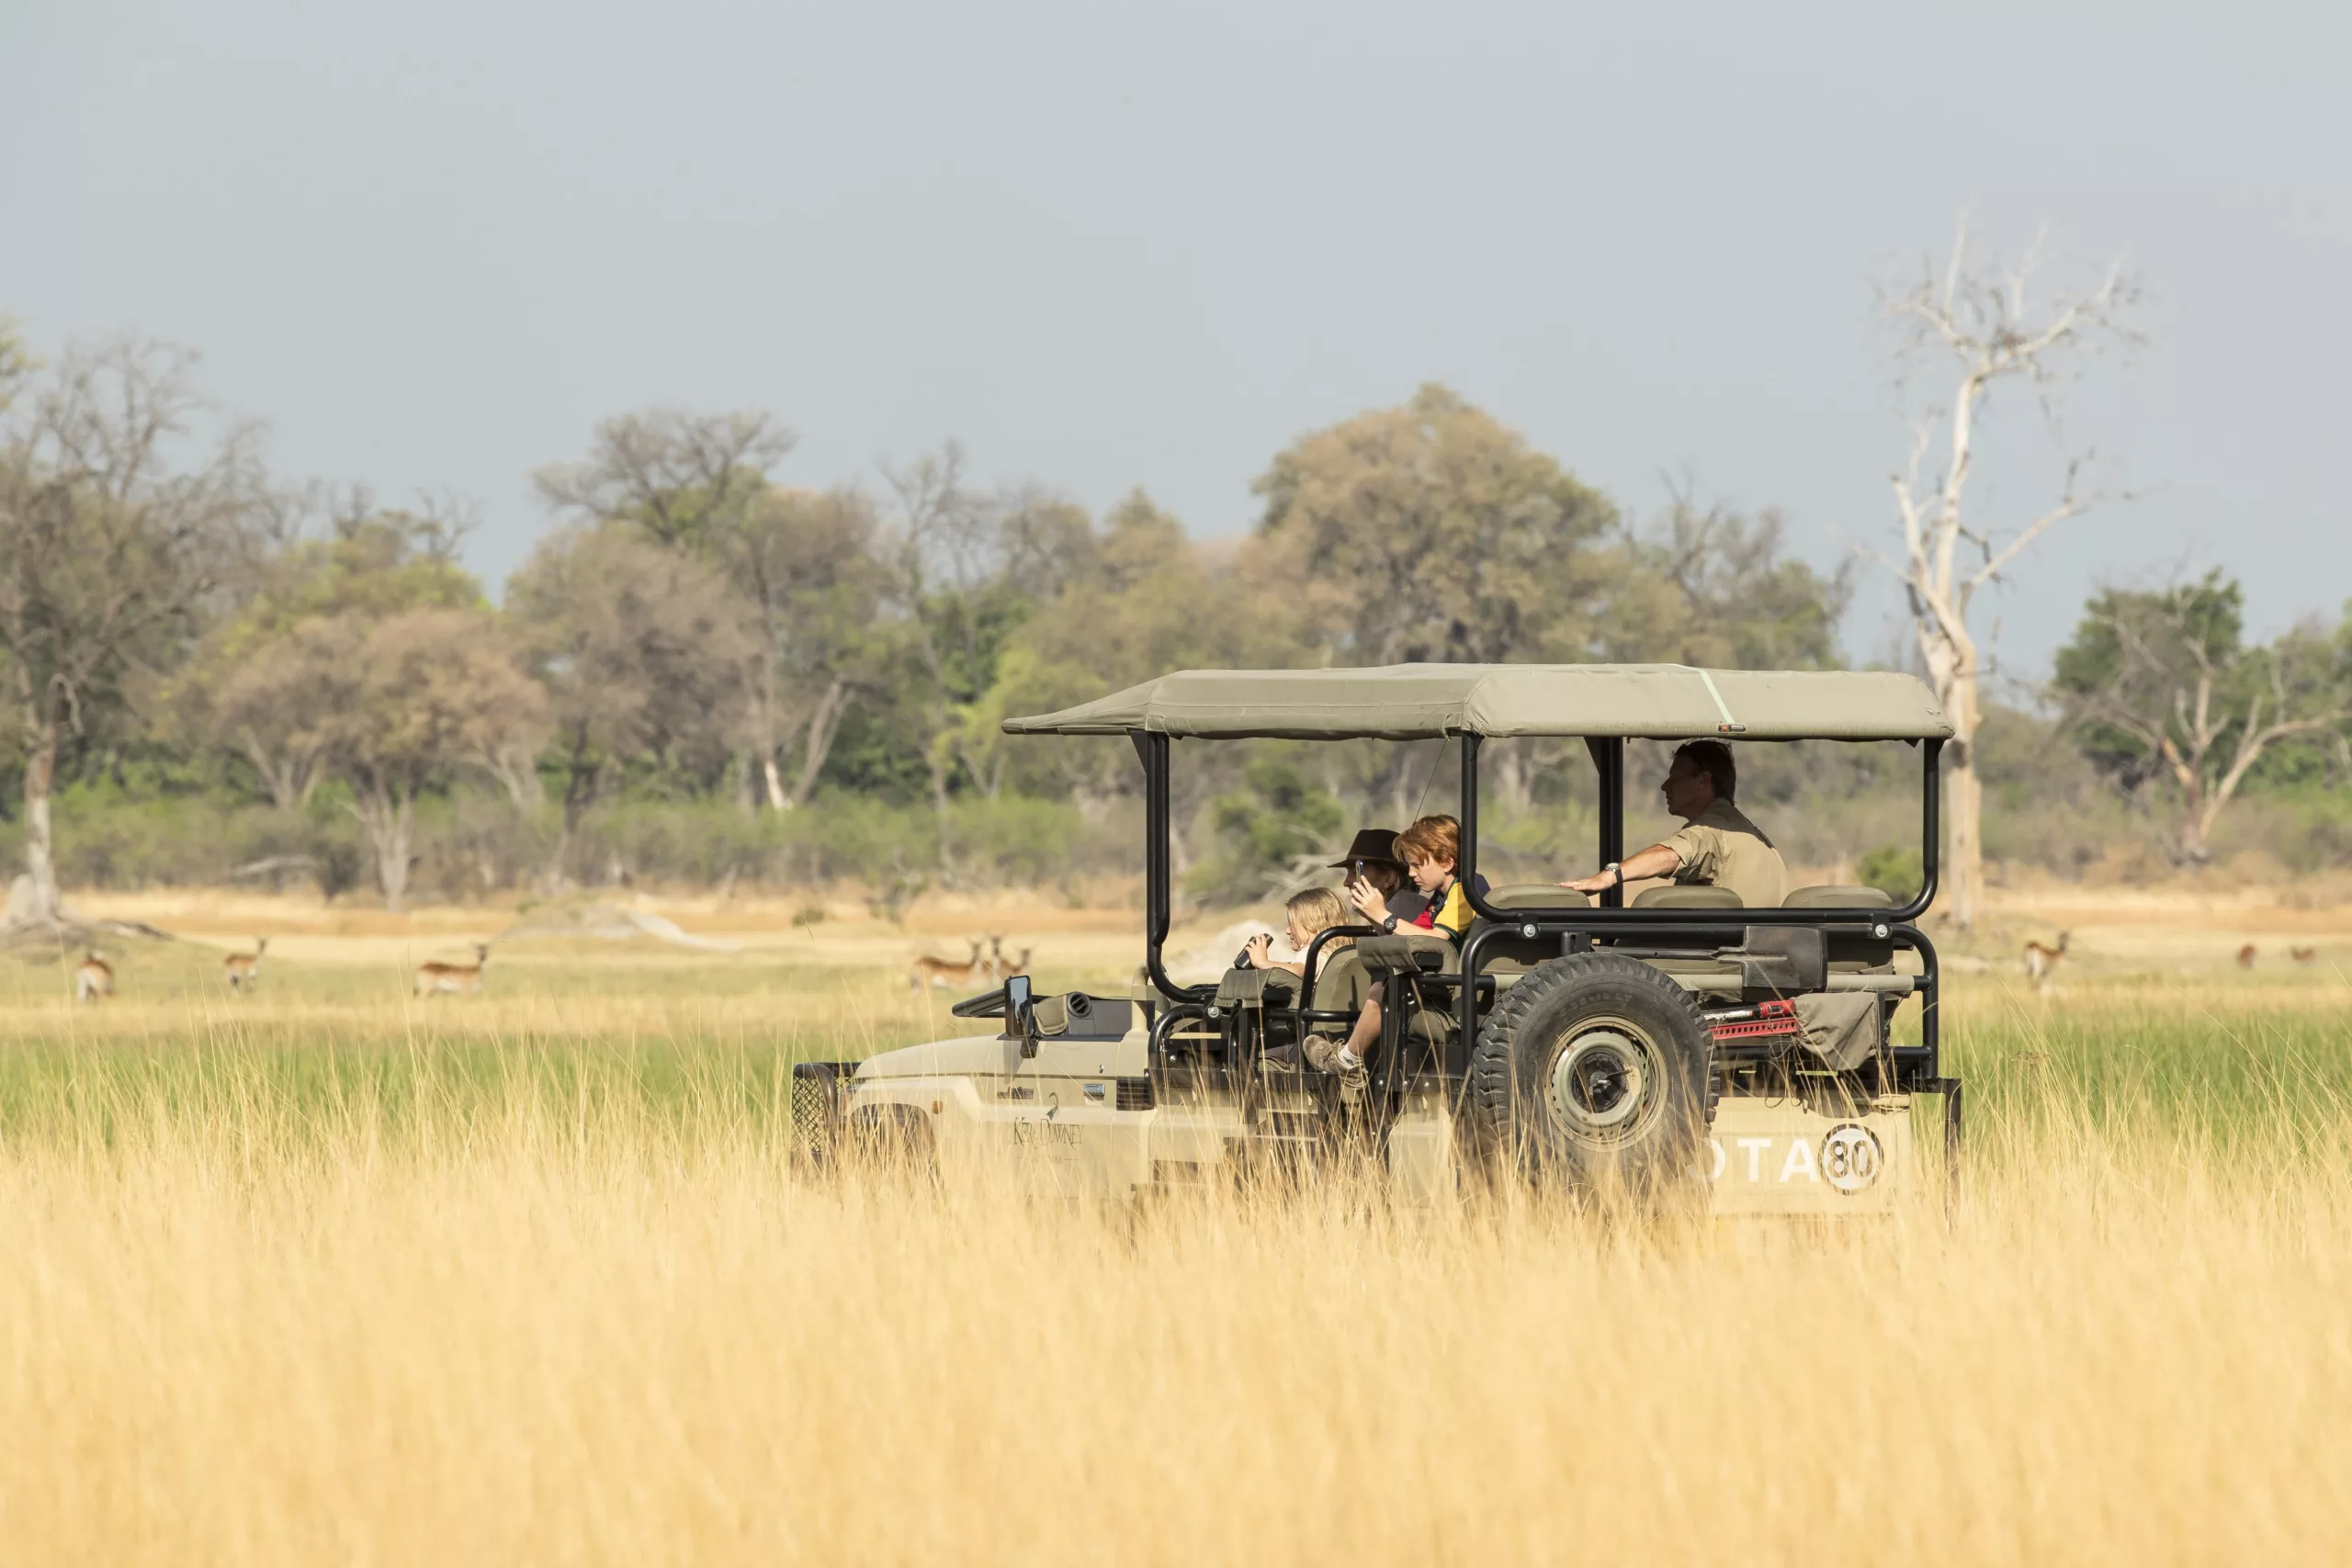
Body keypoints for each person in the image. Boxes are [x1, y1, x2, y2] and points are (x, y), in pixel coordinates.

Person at [1560, 740, 1786, 908]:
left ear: (1703, 781)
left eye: (1676, 776)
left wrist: (1609, 876)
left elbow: (1671, 855)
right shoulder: (1750, 834)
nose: (1665, 786)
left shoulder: (1713, 831)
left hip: (1718, 962)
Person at [1245, 886, 1376, 1074]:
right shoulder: (1346, 952)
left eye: (1292, 923)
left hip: (1314, 1040)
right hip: (1346, 1036)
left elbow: (1298, 971)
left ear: (1312, 924)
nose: (1288, 930)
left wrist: (1262, 962)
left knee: (1254, 1058)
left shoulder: (1314, 950)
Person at [1346, 814, 1487, 946]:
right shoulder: (1440, 897)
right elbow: (1414, 935)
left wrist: (1383, 915)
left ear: (1446, 863)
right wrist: (1373, 915)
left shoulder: (1466, 890)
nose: (1411, 873)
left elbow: (1436, 940)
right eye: (1409, 865)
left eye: (1416, 865)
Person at [1328, 828, 1421, 924]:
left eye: (1356, 872)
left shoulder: (1405, 910)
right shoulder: (1400, 908)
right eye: (1348, 873)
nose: (1346, 883)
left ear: (1389, 878)